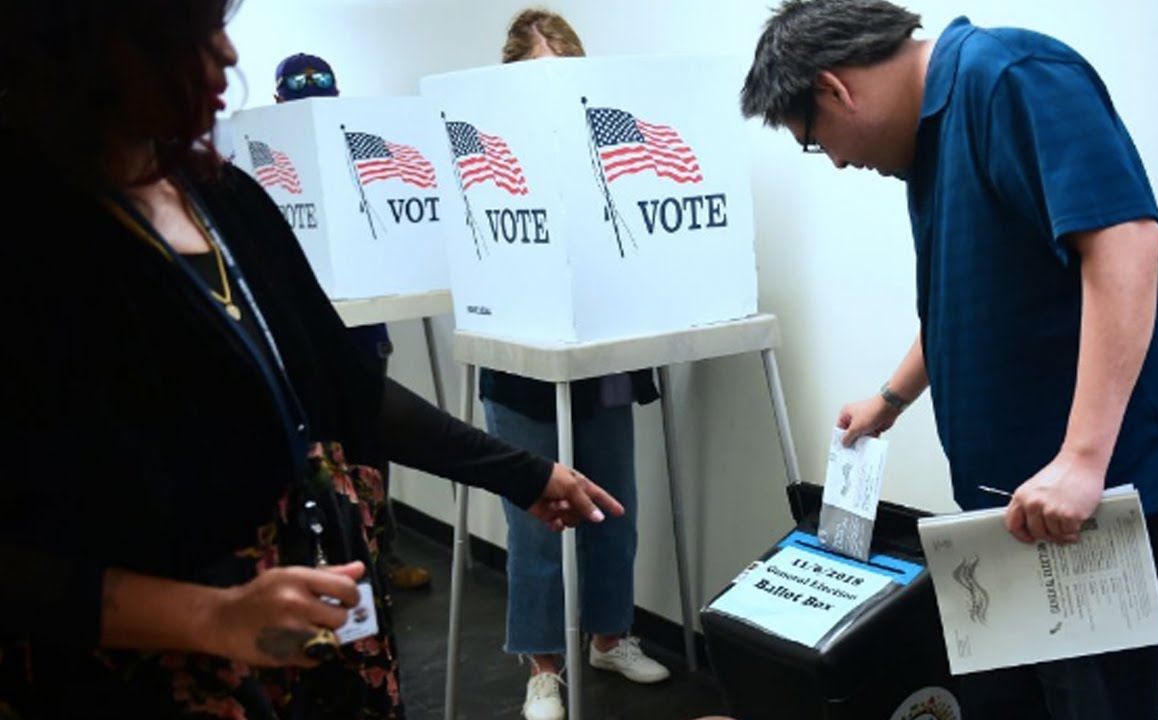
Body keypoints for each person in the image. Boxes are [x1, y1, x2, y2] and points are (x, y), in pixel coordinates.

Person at [0, 2, 623, 717]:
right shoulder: (28, 234)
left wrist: (523, 474)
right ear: (88, 44)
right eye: (195, 32)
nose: (227, 55)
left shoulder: (223, 197)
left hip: (306, 630)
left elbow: (347, 389)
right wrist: (209, 616)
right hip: (143, 677)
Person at [741, 2, 1158, 719]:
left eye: (816, 143)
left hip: (1103, 497)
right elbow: (964, 295)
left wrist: (1082, 460)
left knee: (1093, 706)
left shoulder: (1011, 76)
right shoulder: (931, 143)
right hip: (1015, 509)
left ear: (834, 88)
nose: (841, 161)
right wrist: (891, 399)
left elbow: (1126, 244)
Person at [481, 8, 669, 720]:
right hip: (521, 368)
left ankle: (608, 638)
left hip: (603, 362)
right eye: (540, 76)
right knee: (537, 523)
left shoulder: (604, 145)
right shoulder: (490, 160)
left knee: (614, 510)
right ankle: (542, 668)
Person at [273, 50, 432, 593]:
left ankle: (380, 558)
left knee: (369, 450)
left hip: (362, 331)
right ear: (277, 104)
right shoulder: (266, 163)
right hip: (297, 337)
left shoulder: (355, 152)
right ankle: (320, 563)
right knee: (313, 455)